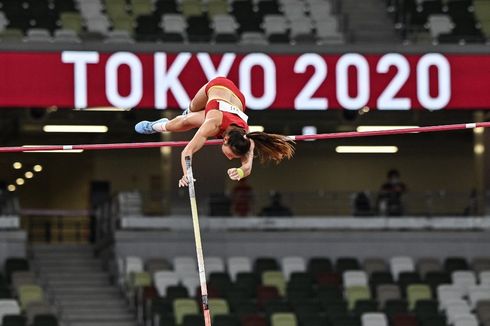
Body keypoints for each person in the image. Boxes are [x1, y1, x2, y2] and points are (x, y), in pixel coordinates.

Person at [135, 77, 295, 187]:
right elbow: (187, 151)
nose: (232, 158)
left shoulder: (246, 139)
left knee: (190, 119)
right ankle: (158, 125)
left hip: (236, 99)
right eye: (233, 155)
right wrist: (186, 174)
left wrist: (239, 171)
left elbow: (247, 167)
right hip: (217, 87)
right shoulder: (212, 123)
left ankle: (176, 120)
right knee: (186, 119)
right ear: (225, 140)